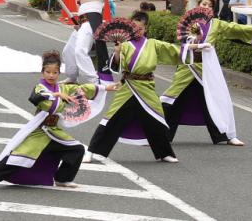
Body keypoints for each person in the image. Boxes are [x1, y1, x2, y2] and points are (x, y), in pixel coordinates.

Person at [0, 50, 118, 192]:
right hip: (39, 132)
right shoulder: (40, 87)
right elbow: (37, 98)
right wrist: (56, 94)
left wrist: (105, 87)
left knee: (77, 150)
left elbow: (82, 89)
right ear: (43, 72)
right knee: (18, 159)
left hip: (53, 131)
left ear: (59, 73)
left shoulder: (62, 87)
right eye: (48, 72)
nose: (51, 75)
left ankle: (62, 179)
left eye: (55, 72)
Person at [162, 0, 252, 147]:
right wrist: (197, 40)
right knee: (173, 100)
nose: (207, 7)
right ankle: (160, 135)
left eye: (210, 5)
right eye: (204, 4)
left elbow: (236, 29)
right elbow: (184, 44)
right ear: (198, 5)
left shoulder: (217, 24)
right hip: (188, 67)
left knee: (216, 101)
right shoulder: (188, 23)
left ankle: (226, 135)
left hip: (207, 69)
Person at [85, 18, 200, 164]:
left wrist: (194, 47)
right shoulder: (125, 45)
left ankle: (164, 153)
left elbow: (173, 50)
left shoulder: (153, 44)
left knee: (155, 120)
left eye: (141, 28)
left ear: (146, 29)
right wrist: (117, 52)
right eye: (135, 28)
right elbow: (116, 67)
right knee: (112, 119)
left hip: (147, 87)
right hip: (129, 87)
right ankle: (91, 151)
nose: (138, 31)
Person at [39, 0, 110, 83]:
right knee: (69, 51)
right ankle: (72, 77)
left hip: (91, 23)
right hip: (83, 24)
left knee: (80, 51)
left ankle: (94, 80)